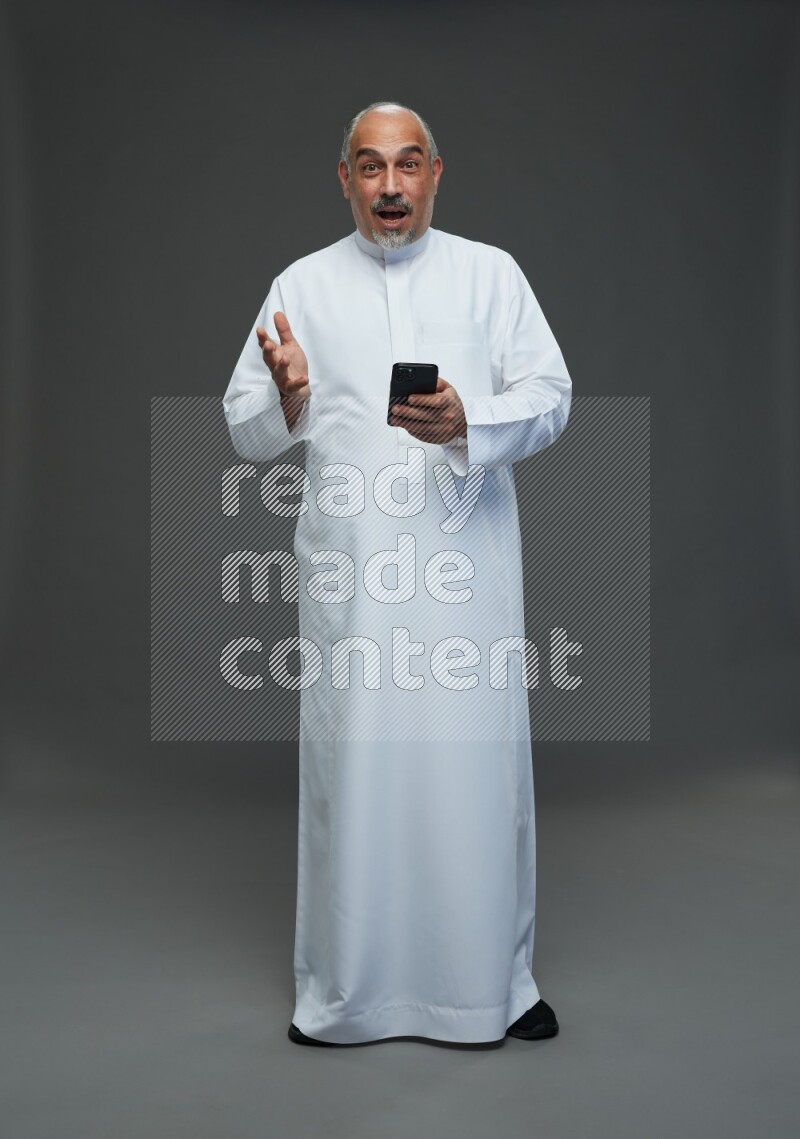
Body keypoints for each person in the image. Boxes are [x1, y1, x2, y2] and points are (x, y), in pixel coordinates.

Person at [222, 101, 572, 1046]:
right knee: (357, 777)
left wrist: (471, 424)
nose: (389, 186)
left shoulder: (490, 276)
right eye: (369, 167)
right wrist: (288, 399)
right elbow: (243, 430)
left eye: (407, 165)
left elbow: (551, 397)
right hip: (355, 585)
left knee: (478, 776)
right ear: (344, 179)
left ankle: (498, 985)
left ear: (435, 174)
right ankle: (344, 990)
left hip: (468, 577)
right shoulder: (301, 284)